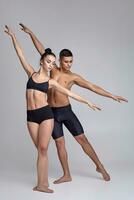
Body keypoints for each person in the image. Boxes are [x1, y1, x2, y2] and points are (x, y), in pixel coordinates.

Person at [19, 23, 128, 184]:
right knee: (59, 144)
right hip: (51, 113)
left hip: (66, 112)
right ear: (59, 61)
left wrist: (111, 95)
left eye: (71, 61)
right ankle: (67, 174)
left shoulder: (73, 77)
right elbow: (42, 50)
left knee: (82, 139)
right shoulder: (52, 69)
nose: (69, 64)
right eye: (66, 61)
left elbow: (92, 86)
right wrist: (30, 34)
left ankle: (100, 166)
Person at [5, 25, 101, 193]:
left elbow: (69, 94)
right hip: (31, 116)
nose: (51, 65)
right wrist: (13, 37)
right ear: (41, 61)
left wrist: (87, 101)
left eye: (53, 63)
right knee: (40, 149)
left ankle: (42, 184)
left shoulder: (51, 82)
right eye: (48, 61)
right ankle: (41, 183)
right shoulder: (30, 72)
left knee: (43, 149)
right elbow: (20, 54)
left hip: (46, 114)